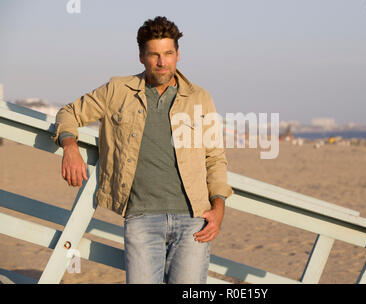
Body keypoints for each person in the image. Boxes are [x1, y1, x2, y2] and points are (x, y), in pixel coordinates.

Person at [52, 16, 233, 284]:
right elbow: (68, 112)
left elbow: (215, 158)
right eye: (154, 55)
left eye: (168, 53)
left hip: (194, 221)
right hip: (141, 220)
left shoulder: (199, 98)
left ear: (178, 55)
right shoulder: (118, 91)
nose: (162, 62)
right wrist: (70, 146)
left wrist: (219, 209)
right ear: (141, 56)